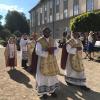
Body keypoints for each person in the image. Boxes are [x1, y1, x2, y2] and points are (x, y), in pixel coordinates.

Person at [35, 27, 60, 99]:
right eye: (45, 32)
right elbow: (37, 51)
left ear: (50, 32)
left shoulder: (53, 40)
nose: (47, 33)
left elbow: (57, 48)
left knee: (52, 76)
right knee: (43, 77)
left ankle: (52, 91)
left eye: (48, 32)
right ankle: (43, 92)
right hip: (43, 62)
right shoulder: (39, 41)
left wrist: (53, 51)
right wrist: (46, 52)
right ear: (43, 33)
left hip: (52, 61)